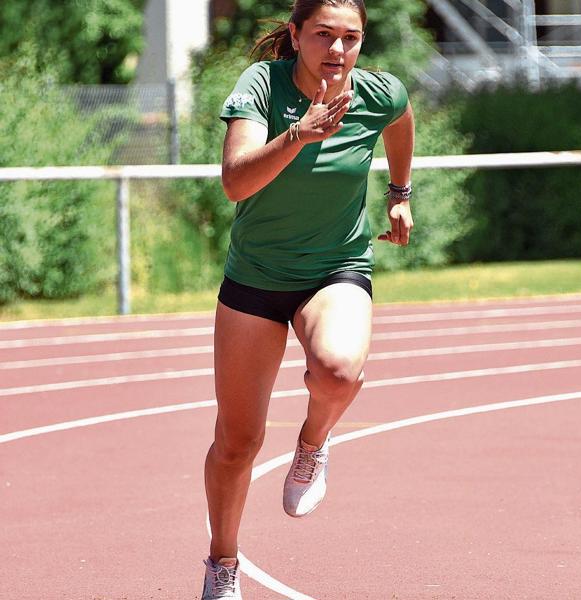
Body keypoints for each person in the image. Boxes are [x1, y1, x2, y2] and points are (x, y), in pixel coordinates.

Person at [201, 1, 414, 597]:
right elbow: (235, 182)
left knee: (340, 373)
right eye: (323, 35)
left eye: (351, 38)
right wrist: (300, 133)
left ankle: (313, 443)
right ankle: (222, 563)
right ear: (296, 36)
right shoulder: (262, 86)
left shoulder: (380, 92)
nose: (338, 50)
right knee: (238, 441)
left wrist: (400, 191)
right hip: (256, 278)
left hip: (336, 267)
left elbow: (400, 120)